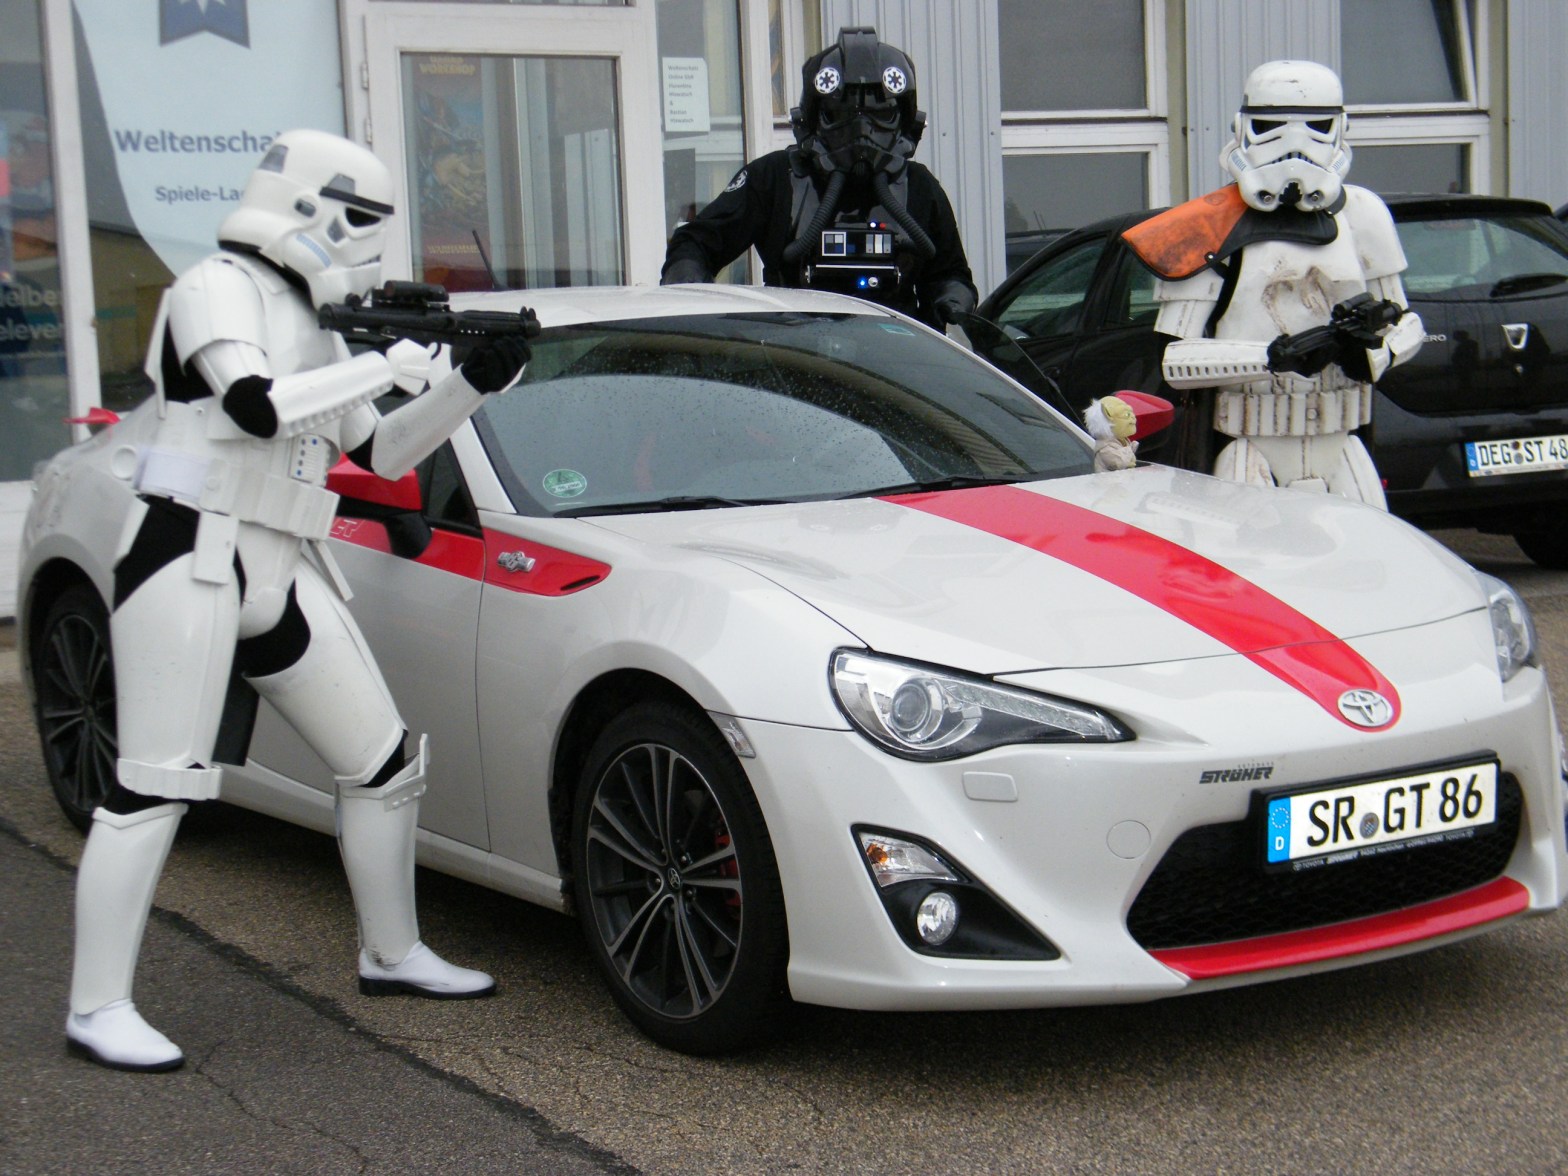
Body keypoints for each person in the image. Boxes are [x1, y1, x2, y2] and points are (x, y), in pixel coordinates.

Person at [64, 129, 529, 1072]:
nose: (367, 242)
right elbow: (257, 406)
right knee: (153, 783)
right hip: (186, 551)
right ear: (310, 205)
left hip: (277, 560)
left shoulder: (315, 320)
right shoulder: (215, 288)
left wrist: (472, 384)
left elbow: (382, 455)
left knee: (383, 762)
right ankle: (96, 1003)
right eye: (360, 220)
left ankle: (391, 952)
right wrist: (385, 364)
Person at [1123, 60, 1425, 505]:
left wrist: (1376, 354)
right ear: (1242, 128)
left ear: (1341, 129)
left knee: (1370, 546)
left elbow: (1406, 320)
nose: (1294, 146)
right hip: (1251, 442)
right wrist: (1272, 357)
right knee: (1252, 546)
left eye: (1316, 127)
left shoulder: (1363, 214)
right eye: (1271, 127)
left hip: (1341, 439)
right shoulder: (1208, 226)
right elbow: (1175, 361)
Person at [661, 26, 976, 332]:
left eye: (880, 115)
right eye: (839, 114)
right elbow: (697, 242)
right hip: (794, 350)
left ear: (906, 122)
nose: (861, 132)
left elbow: (951, 273)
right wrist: (688, 280)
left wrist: (951, 300)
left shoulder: (918, 187)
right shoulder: (775, 178)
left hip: (891, 353)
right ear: (811, 117)